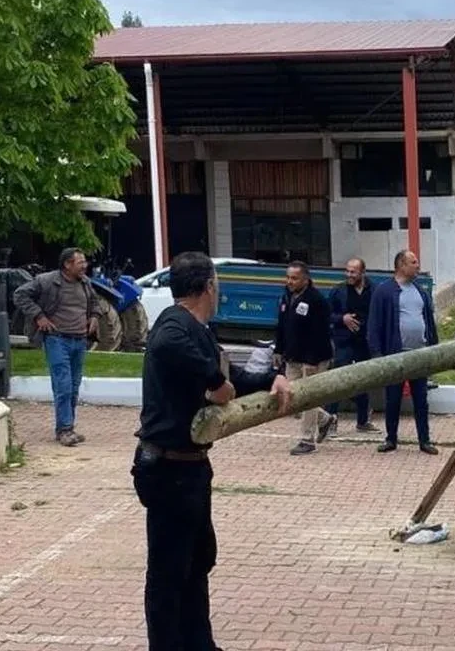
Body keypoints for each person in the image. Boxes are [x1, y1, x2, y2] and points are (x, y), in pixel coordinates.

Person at [133, 251, 291, 651]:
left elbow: (231, 376)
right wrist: (212, 382)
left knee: (197, 563)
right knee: (168, 574)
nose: (218, 291)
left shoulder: (199, 329)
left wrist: (272, 378)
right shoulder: (173, 326)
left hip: (193, 470)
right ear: (207, 287)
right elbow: (201, 370)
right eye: (217, 284)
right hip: (167, 471)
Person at [13, 248, 97, 446]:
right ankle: (64, 430)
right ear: (67, 265)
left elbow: (94, 302)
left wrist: (94, 316)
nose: (85, 266)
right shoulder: (46, 281)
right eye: (80, 262)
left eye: (84, 262)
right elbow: (20, 295)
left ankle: (69, 427)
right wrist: (39, 316)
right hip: (57, 339)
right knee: (63, 385)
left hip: (79, 340)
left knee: (74, 387)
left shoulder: (85, 282)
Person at [368, 249, 440, 455]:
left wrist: (434, 348)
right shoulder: (384, 291)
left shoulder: (420, 291)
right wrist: (377, 354)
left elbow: (429, 322)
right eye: (413, 262)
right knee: (393, 399)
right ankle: (391, 439)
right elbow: (374, 325)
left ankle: (424, 440)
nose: (418, 266)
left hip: (419, 355)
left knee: (421, 400)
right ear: (401, 265)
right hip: (395, 355)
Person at [273, 261, 336, 455]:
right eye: (288, 277)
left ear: (306, 279)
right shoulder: (286, 297)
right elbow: (281, 326)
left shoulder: (317, 301)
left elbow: (321, 333)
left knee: (308, 398)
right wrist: (278, 350)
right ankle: (326, 420)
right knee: (293, 399)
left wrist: (312, 360)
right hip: (293, 356)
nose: (290, 281)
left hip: (314, 358)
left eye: (294, 278)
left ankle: (307, 440)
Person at [327, 257, 379, 432]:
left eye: (353, 272)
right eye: (347, 271)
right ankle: (331, 420)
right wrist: (342, 318)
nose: (349, 275)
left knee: (363, 381)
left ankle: (363, 421)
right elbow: (327, 315)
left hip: (365, 343)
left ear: (362, 272)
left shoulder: (374, 290)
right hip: (344, 342)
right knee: (338, 381)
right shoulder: (338, 291)